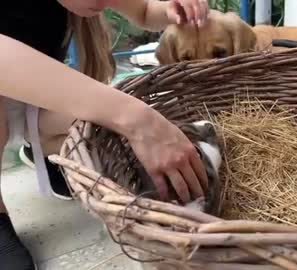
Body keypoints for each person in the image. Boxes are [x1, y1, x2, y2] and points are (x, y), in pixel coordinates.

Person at [0, 0, 211, 269]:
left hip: (35, 96)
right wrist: (134, 117)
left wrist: (171, 9)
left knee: (101, 129)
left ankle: (46, 154)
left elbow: (145, 12)